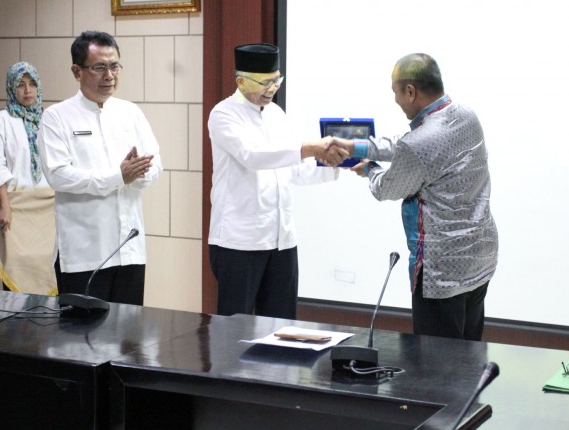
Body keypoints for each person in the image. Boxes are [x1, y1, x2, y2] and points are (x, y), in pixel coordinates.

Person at [329, 53, 498, 341]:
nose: (395, 100)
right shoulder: (466, 116)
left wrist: (368, 168)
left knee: (436, 360)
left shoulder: (419, 143)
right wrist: (355, 146)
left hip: (441, 272)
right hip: (478, 260)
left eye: (395, 92)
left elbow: (386, 188)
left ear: (410, 91)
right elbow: (407, 145)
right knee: (468, 355)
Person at [208, 43, 348, 320]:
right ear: (241, 81)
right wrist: (310, 148)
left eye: (277, 81)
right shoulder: (223, 114)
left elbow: (294, 171)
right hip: (240, 241)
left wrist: (335, 162)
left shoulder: (276, 114)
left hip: (281, 240)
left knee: (281, 326)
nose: (272, 88)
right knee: (234, 329)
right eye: (265, 82)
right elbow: (252, 156)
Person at [38, 31, 162, 305]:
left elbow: (155, 163)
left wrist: (138, 174)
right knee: (81, 331)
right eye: (99, 67)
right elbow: (58, 175)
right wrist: (118, 177)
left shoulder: (130, 112)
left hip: (129, 248)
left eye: (115, 66)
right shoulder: (56, 117)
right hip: (84, 253)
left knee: (129, 328)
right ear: (77, 71)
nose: (109, 75)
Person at [0, 61, 58, 295]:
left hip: (47, 209)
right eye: (20, 85)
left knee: (49, 271)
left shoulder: (49, 119)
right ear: (11, 88)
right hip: (15, 207)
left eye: (32, 84)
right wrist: (4, 204)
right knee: (17, 272)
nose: (27, 90)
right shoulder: (0, 120)